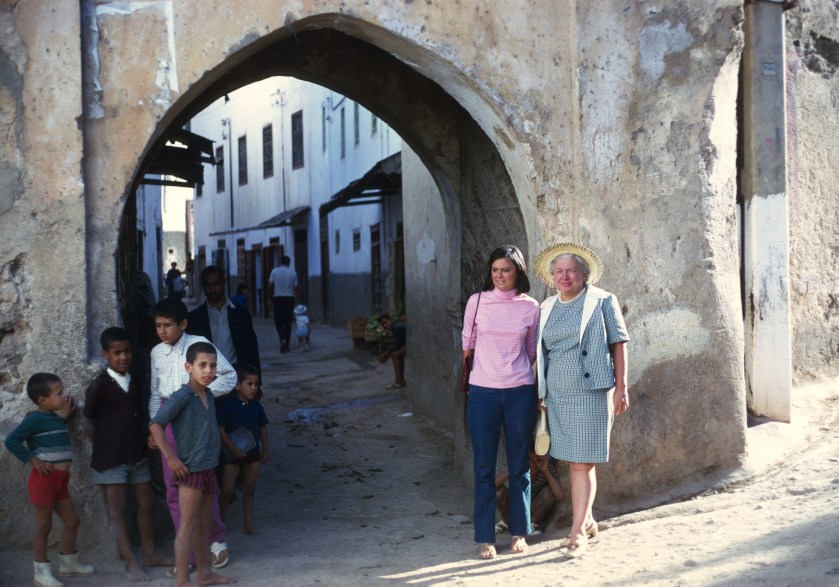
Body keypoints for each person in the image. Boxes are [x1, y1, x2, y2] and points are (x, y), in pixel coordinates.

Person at [534, 242, 629, 558]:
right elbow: (541, 353)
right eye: (558, 271)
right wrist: (542, 392)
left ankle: (577, 533)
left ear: (583, 273)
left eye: (571, 270)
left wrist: (621, 387)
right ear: (551, 276)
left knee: (582, 461)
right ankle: (586, 522)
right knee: (571, 461)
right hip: (558, 394)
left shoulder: (602, 300)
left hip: (591, 391)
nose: (564, 276)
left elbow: (618, 343)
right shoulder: (546, 307)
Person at [461, 245, 540, 560]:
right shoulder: (477, 302)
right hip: (483, 392)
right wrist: (485, 373)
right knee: (483, 467)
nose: (500, 275)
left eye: (506, 270)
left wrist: (515, 371)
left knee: (520, 465)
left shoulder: (531, 307)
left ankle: (519, 532)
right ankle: (485, 536)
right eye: (495, 270)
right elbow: (467, 346)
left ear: (517, 271)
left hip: (520, 390)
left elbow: (532, 349)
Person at [148, 298, 237, 571]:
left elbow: (230, 376)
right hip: (168, 416)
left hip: (196, 418)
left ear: (183, 324)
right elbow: (155, 391)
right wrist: (155, 425)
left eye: (168, 325)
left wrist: (201, 392)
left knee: (204, 483)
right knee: (176, 486)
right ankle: (185, 553)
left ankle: (215, 540)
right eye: (158, 326)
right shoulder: (156, 353)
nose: (162, 331)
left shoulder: (199, 345)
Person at [82, 327, 173, 582]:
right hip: (110, 459)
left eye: (127, 351)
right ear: (105, 355)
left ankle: (149, 553)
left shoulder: (136, 380)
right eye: (117, 353)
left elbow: (141, 413)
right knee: (118, 510)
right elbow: (88, 422)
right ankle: (130, 563)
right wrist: (105, 443)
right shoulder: (99, 386)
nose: (123, 357)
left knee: (147, 503)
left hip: (138, 454)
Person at [4, 373, 95, 587]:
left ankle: (69, 563)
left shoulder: (54, 418)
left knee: (73, 521)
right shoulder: (33, 419)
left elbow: (52, 431)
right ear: (43, 400)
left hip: (60, 481)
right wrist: (32, 460)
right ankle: (41, 571)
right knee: (43, 526)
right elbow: (12, 441)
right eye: (59, 393)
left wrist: (65, 416)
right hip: (43, 480)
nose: (64, 395)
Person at [217, 363, 269, 535]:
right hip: (232, 457)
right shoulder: (229, 406)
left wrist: (266, 450)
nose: (254, 388)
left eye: (256, 384)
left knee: (249, 490)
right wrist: (232, 449)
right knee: (226, 491)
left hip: (252, 455)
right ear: (237, 385)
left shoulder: (257, 407)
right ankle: (219, 524)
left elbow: (262, 428)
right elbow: (221, 429)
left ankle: (248, 524)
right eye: (249, 384)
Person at [187, 266, 261, 382]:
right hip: (206, 381)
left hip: (236, 378)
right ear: (203, 287)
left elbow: (251, 349)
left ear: (224, 283)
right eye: (208, 285)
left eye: (216, 284)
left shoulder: (240, 314)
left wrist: (257, 382)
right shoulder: (195, 318)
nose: (212, 289)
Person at [496, 452, 563, 535]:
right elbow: (492, 487)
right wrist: (514, 469)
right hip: (516, 507)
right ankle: (507, 522)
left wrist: (545, 471)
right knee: (499, 492)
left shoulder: (546, 467)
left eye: (537, 460)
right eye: (529, 460)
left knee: (549, 491)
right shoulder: (516, 464)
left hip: (534, 507)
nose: (533, 464)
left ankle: (531, 524)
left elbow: (560, 496)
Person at [267, 255, 298, 353]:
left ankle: (282, 339)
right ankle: (286, 344)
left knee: (278, 321)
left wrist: (269, 299)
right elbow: (296, 288)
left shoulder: (274, 271)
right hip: (289, 299)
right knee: (288, 322)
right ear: (289, 263)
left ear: (280, 262)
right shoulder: (293, 273)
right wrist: (298, 301)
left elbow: (270, 285)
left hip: (278, 299)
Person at [378, 314, 406, 389]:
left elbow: (398, 344)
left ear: (390, 320)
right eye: (382, 324)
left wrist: (386, 353)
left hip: (413, 344)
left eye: (385, 322)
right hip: (408, 344)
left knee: (395, 355)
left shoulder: (396, 327)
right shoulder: (395, 326)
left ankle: (399, 382)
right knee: (395, 354)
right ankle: (400, 381)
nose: (385, 325)